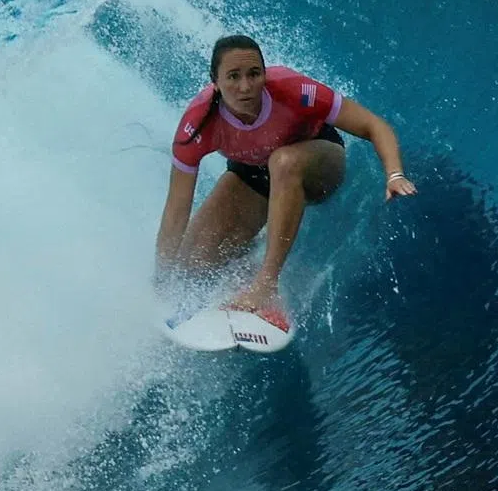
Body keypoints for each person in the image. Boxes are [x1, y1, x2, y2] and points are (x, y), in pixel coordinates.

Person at [154, 34, 417, 325]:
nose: (245, 86)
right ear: (214, 82)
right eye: (233, 77)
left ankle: (266, 285)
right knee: (191, 268)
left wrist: (394, 174)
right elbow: (177, 209)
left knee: (284, 161)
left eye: (254, 74)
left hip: (318, 162)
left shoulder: (294, 90)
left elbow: (372, 124)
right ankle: (244, 270)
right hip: (254, 173)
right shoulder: (197, 124)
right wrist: (162, 278)